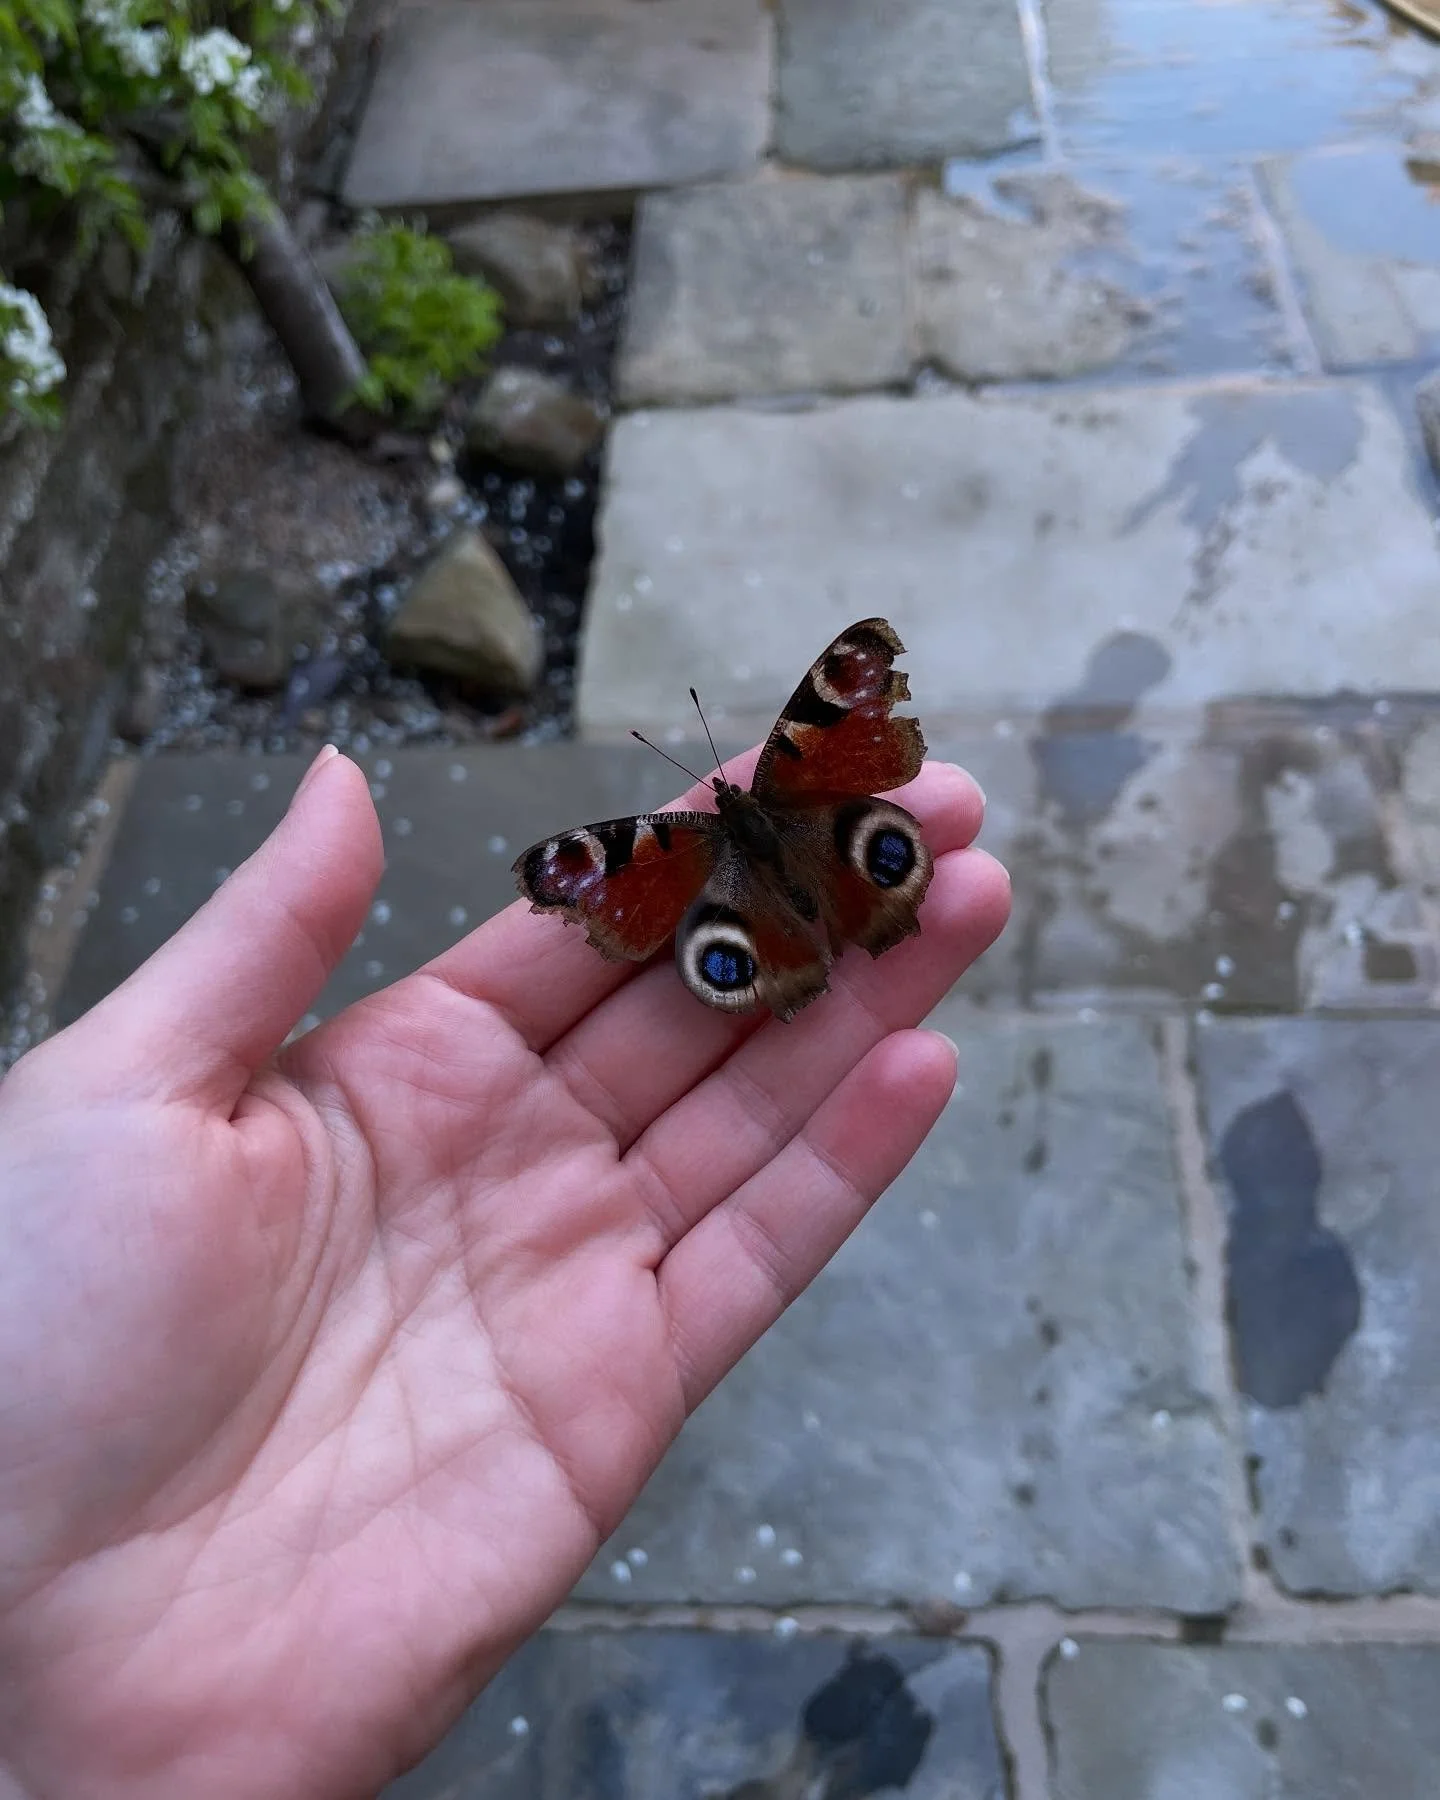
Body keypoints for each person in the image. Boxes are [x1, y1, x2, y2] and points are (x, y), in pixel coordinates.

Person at [0, 744, 1008, 1799]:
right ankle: (846, 886)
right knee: (838, 891)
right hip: (814, 856)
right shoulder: (756, 797)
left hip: (741, 903)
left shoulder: (661, 853)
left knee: (787, 930)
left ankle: (803, 918)